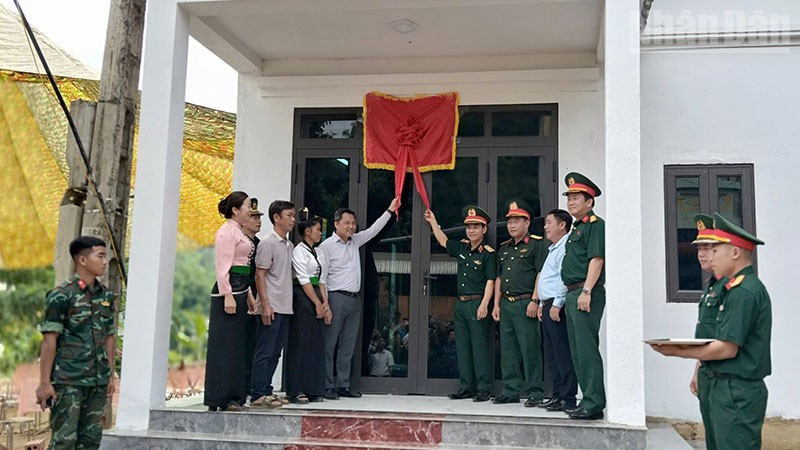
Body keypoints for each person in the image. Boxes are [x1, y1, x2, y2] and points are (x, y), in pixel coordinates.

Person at [650, 212, 771, 450]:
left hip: (735, 386)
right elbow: (711, 333)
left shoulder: (744, 291)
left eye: (715, 250)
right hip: (718, 380)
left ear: (735, 252)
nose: (709, 256)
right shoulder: (728, 287)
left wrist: (675, 350)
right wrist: (698, 366)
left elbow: (727, 347)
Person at [36, 236, 115, 450]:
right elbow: (49, 339)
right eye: (100, 256)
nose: (104, 261)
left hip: (97, 381)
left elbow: (109, 336)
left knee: (90, 440)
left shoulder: (106, 295)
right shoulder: (61, 296)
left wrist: (109, 375)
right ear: (82, 260)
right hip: (68, 380)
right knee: (64, 441)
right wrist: (45, 382)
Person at [318, 197, 399, 400]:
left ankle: (343, 384)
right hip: (335, 298)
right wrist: (325, 304)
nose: (351, 227)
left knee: (348, 344)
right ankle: (328, 385)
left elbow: (374, 229)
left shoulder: (355, 241)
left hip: (354, 300)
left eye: (353, 223)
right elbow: (322, 278)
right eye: (347, 223)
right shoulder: (326, 247)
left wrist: (389, 210)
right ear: (336, 224)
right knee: (330, 344)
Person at [424, 206, 496, 402]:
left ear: (484, 229)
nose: (471, 230)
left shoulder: (488, 254)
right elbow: (443, 241)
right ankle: (466, 386)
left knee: (479, 347)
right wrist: (433, 221)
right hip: (461, 304)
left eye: (476, 227)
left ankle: (483, 387)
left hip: (476, 303)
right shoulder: (462, 248)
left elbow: (491, 280)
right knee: (462, 346)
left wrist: (484, 304)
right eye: (469, 227)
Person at [492, 200, 548, 406]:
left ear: (527, 222)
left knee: (530, 348)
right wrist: (496, 305)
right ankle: (510, 389)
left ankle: (535, 391)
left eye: (517, 221)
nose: (512, 225)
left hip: (526, 303)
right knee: (508, 350)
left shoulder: (536, 244)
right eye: (509, 222)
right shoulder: (504, 248)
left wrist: (535, 300)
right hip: (506, 304)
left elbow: (540, 273)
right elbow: (499, 278)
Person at [204, 191, 255, 411]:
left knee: (238, 345)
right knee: (225, 346)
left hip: (241, 285)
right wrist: (227, 294)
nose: (250, 210)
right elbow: (223, 266)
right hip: (230, 287)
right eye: (246, 206)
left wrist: (250, 295)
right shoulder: (226, 232)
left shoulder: (240, 232)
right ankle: (221, 397)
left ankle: (236, 395)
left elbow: (245, 266)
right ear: (235, 210)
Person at [560, 172, 606, 420]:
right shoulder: (577, 227)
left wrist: (587, 290)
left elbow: (596, 259)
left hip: (585, 291)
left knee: (587, 350)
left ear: (589, 201)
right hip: (573, 293)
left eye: (576, 197)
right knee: (578, 351)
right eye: (569, 198)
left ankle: (594, 403)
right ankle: (587, 399)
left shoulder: (595, 225)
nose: (571, 202)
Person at [250, 200, 296, 408]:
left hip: (285, 305)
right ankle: (257, 393)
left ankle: (267, 389)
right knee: (265, 350)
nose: (293, 220)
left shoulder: (289, 245)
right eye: (289, 215)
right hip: (271, 305)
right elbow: (260, 275)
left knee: (276, 351)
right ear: (276, 218)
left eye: (293, 216)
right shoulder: (268, 243)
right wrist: (265, 305)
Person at [533, 209, 577, 412]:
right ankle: (557, 394)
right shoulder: (553, 248)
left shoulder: (565, 246)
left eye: (549, 222)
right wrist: (542, 304)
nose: (545, 226)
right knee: (552, 354)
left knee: (562, 352)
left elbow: (563, 278)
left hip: (557, 305)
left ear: (562, 225)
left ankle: (568, 397)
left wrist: (558, 304)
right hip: (548, 304)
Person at [285, 209, 331, 404]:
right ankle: (296, 388)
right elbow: (304, 280)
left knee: (316, 343)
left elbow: (322, 279)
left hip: (318, 293)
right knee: (301, 342)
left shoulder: (319, 252)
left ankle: (314, 387)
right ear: (307, 231)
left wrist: (325, 304)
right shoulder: (299, 250)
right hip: (304, 297)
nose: (320, 233)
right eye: (317, 229)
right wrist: (316, 303)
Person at [241, 198, 264, 394]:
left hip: (256, 298)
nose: (258, 221)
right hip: (240, 293)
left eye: (259, 218)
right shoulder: (240, 241)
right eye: (253, 217)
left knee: (253, 343)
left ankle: (250, 384)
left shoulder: (259, 244)